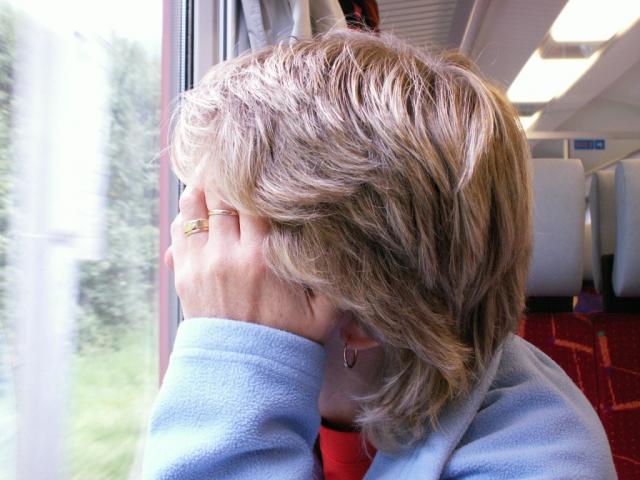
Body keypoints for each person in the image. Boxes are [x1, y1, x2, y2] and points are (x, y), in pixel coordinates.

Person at [143, 30, 616, 479]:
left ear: (365, 313)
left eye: (224, 228)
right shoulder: (319, 395)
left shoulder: (543, 462)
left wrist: (235, 359)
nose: (189, 264)